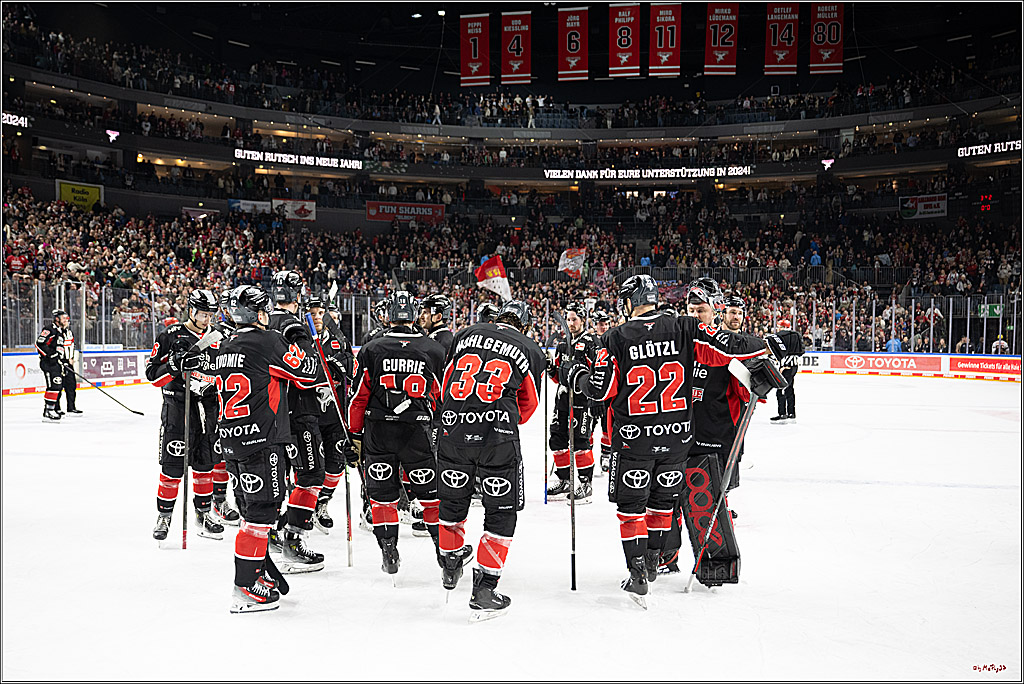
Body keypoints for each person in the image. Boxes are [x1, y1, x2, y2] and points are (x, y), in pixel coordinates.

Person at [558, 275, 770, 607]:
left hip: (634, 440)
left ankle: (638, 571)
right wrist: (773, 343)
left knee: (632, 509)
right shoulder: (685, 327)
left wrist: (575, 375)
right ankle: (655, 562)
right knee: (661, 504)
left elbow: (599, 391)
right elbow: (728, 347)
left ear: (629, 302)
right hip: (677, 439)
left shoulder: (615, 338)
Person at [436, 299, 546, 619]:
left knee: (452, 503)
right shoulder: (529, 348)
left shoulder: (466, 333)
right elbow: (527, 408)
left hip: (453, 431)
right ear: (524, 325)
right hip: (497, 437)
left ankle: (450, 562)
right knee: (501, 512)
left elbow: (445, 386)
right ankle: (484, 588)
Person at [216, 285, 320, 613]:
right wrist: (302, 342)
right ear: (261, 313)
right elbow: (308, 372)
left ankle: (258, 570)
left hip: (232, 440)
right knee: (262, 514)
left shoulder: (225, 345)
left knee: (251, 512)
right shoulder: (269, 341)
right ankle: (245, 587)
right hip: (262, 440)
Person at [347, 291, 447, 577]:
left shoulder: (371, 348)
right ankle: (445, 555)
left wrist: (354, 435)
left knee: (382, 498)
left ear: (388, 316)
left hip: (378, 432)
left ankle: (388, 550)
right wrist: (442, 429)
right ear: (414, 315)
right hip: (416, 432)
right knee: (430, 498)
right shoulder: (433, 349)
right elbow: (442, 397)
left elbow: (358, 398)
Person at [657, 288, 754, 581]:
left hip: (714, 440)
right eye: (692, 308)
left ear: (715, 312)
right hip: (677, 436)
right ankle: (666, 555)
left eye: (702, 310)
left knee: (709, 504)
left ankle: (715, 562)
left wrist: (760, 378)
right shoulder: (678, 343)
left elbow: (747, 394)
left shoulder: (728, 350)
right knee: (666, 499)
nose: (696, 315)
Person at [145, 290, 225, 542]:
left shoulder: (220, 337)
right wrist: (174, 366)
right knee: (172, 466)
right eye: (202, 314)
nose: (206, 319)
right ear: (191, 310)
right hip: (178, 409)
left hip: (209, 409)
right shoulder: (171, 335)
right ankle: (165, 515)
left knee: (205, 464)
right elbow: (152, 375)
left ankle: (203, 513)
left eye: (210, 314)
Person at [265, 270, 330, 572]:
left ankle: (275, 531)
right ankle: (293, 540)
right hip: (300, 414)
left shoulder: (264, 323)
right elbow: (308, 373)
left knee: (283, 478)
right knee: (312, 475)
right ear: (297, 294)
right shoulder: (295, 326)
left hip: (273, 416)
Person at [306, 295, 358, 535]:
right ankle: (304, 508)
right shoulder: (299, 338)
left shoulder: (338, 339)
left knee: (336, 465)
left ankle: (322, 503)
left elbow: (352, 368)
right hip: (308, 414)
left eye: (320, 313)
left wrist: (342, 364)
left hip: (335, 413)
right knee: (311, 466)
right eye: (312, 313)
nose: (317, 318)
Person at [546, 301, 600, 503]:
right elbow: (558, 377)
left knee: (580, 441)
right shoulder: (562, 344)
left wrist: (596, 397)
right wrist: (551, 368)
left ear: (583, 320)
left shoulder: (591, 342)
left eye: (574, 319)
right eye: (568, 319)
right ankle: (565, 481)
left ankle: (586, 484)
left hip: (582, 400)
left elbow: (598, 372)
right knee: (557, 439)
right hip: (562, 398)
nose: (570, 323)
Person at [35, 309, 79, 421]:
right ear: (57, 319)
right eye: (64, 318)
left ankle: (51, 409)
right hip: (49, 363)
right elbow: (39, 343)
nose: (66, 320)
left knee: (58, 385)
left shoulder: (62, 331)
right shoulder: (49, 329)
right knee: (54, 386)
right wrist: (51, 355)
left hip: (58, 364)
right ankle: (49, 410)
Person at [591, 309, 614, 473]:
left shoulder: (613, 340)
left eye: (606, 324)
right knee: (588, 427)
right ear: (594, 325)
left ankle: (606, 455)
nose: (603, 327)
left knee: (607, 426)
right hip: (590, 392)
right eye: (600, 324)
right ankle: (587, 458)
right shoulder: (589, 342)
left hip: (609, 391)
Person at [771, 320, 804, 423]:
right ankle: (791, 412)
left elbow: (783, 353)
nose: (778, 328)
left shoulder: (783, 337)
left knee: (780, 389)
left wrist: (783, 366)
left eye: (779, 326)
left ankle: (782, 414)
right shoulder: (795, 336)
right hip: (793, 366)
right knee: (789, 388)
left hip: (786, 366)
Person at [419, 293, 455, 357]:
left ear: (438, 317)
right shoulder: (441, 336)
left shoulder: (442, 340)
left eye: (425, 312)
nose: (421, 316)